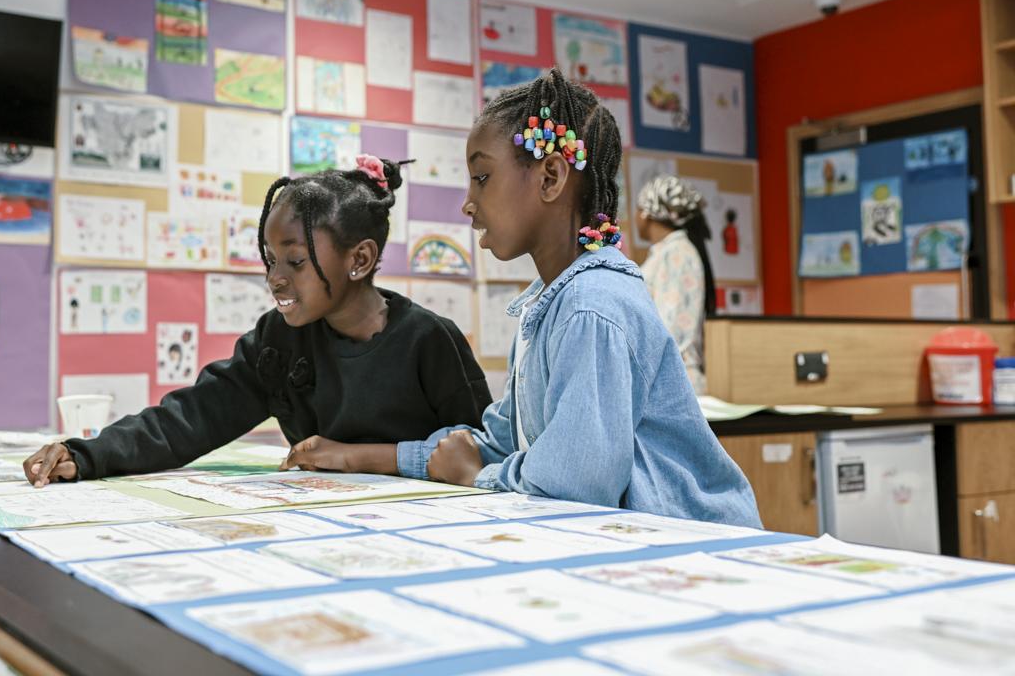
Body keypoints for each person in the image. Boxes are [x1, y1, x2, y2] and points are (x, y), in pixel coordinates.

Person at [284, 69, 759, 527]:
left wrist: (475, 477)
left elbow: (575, 483)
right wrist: (358, 456)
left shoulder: (592, 305)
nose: (468, 203)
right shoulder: (547, 304)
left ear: (550, 177)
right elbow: (501, 441)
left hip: (698, 546)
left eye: (482, 178)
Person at [24, 156, 490, 486]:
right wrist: (86, 455)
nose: (275, 279)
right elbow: (192, 417)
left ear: (360, 259)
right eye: (270, 261)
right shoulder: (280, 341)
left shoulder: (427, 340)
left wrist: (359, 459)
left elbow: (482, 456)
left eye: (295, 262)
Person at [635, 174, 717, 394]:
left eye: (637, 208)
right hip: (669, 380)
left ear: (647, 213)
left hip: (674, 385)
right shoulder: (667, 253)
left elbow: (671, 327)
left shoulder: (677, 255)